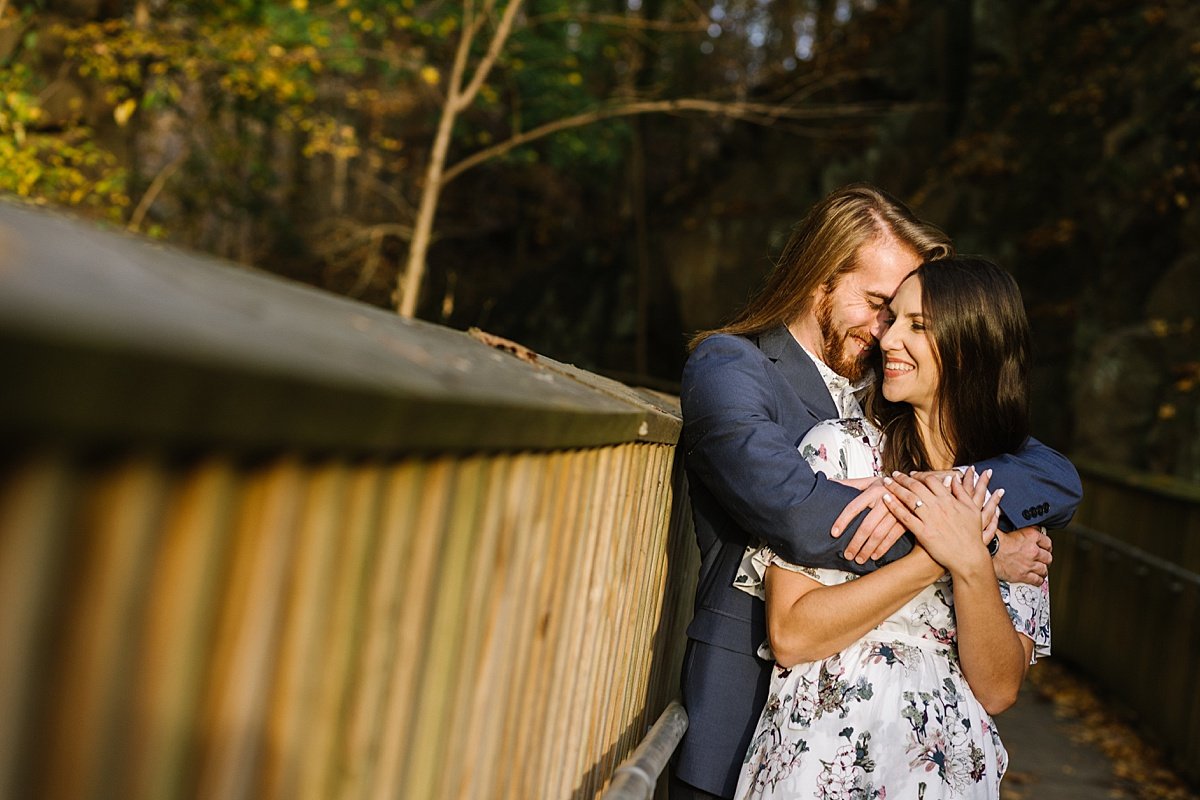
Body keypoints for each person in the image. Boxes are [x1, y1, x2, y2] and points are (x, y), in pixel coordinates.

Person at [673, 184, 1081, 799]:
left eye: (908, 318)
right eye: (879, 306)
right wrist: (968, 548)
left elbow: (1055, 477)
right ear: (821, 282)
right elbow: (797, 512)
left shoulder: (900, 405)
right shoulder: (732, 368)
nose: (887, 332)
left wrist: (948, 499)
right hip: (759, 712)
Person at [733, 256, 1049, 799]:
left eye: (917, 325)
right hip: (824, 756)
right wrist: (936, 555)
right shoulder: (837, 451)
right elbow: (790, 635)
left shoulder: (1011, 498)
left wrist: (973, 563)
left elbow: (998, 689)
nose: (888, 339)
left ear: (970, 347)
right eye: (892, 318)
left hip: (946, 770)